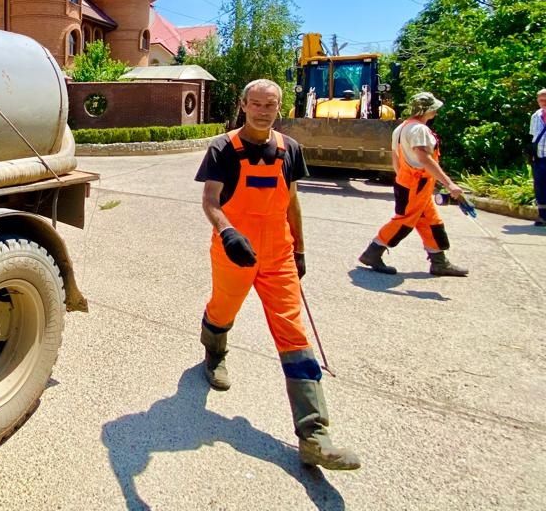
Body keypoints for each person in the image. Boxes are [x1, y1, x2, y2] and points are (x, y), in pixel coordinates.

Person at [195, 78, 360, 471]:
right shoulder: (223, 148)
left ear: (279, 108)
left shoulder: (290, 150)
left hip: (279, 255)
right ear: (243, 104)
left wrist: (299, 249)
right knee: (223, 310)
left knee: (293, 332)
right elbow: (210, 200)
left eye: (269, 105)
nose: (262, 110)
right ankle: (214, 353)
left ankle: (314, 436)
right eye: (255, 103)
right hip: (234, 252)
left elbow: (293, 203)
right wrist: (227, 231)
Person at [358, 92, 469, 277]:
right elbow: (424, 158)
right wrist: (449, 184)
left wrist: (402, 177)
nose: (436, 112)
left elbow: (396, 158)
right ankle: (373, 252)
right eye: (434, 109)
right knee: (404, 221)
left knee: (430, 221)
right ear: (428, 110)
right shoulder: (419, 130)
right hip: (416, 184)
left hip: (408, 182)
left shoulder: (401, 128)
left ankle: (439, 262)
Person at [530, 88, 546, 226]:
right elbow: (533, 136)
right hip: (540, 157)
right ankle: (542, 216)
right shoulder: (535, 116)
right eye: (541, 100)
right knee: (540, 186)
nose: (544, 103)